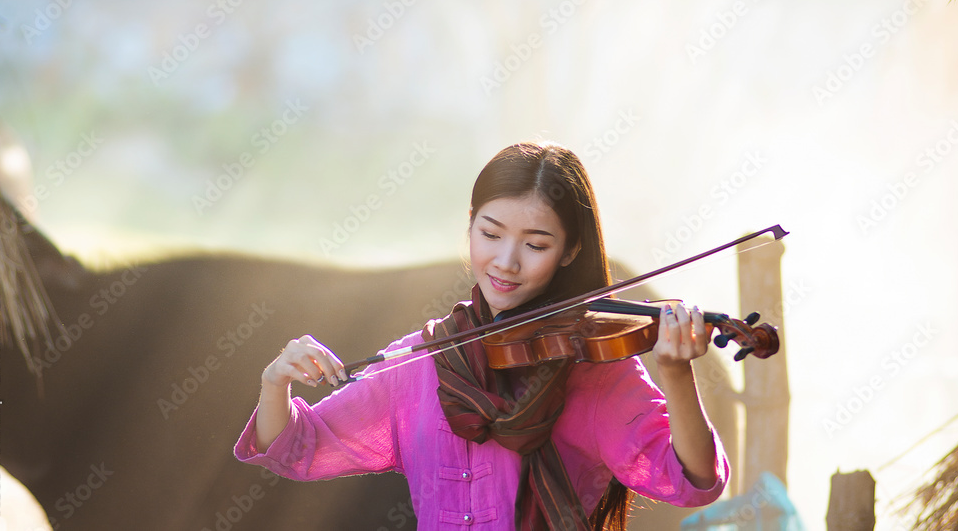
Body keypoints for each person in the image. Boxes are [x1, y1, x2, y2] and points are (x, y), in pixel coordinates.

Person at [235, 142, 729, 530]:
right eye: (491, 234)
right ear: (469, 226)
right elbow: (295, 447)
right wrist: (275, 381)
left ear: (570, 249)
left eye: (536, 244)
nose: (506, 262)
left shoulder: (596, 369)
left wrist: (675, 371)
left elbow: (694, 481)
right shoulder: (422, 361)